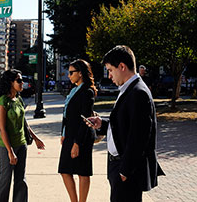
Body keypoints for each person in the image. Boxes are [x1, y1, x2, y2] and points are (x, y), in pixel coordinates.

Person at [85, 45, 164, 202]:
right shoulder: (128, 89)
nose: (109, 75)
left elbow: (139, 137)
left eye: (110, 70)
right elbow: (125, 124)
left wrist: (125, 171)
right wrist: (102, 123)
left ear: (122, 66)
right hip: (118, 166)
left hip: (127, 171)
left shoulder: (138, 92)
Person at [0, 69, 45, 202]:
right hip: (6, 147)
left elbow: (24, 123)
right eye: (19, 80)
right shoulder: (3, 102)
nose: (22, 83)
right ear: (11, 83)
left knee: (21, 180)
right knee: (5, 180)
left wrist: (36, 138)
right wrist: (10, 152)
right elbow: (2, 128)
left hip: (21, 145)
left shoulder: (19, 100)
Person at [58, 59, 97, 202]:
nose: (69, 75)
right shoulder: (74, 90)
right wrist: (63, 133)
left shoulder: (87, 91)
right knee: (64, 170)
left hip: (82, 136)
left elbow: (84, 119)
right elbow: (66, 113)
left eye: (71, 72)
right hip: (69, 135)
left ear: (80, 73)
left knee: (83, 171)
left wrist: (77, 143)